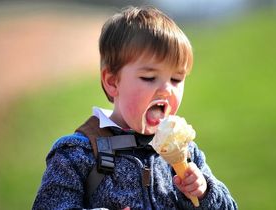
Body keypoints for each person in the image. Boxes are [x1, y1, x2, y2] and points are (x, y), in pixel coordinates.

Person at [33, 6, 237, 210]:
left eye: (176, 79)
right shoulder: (76, 155)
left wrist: (204, 192)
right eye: (149, 78)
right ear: (113, 82)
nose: (166, 90)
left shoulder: (189, 154)